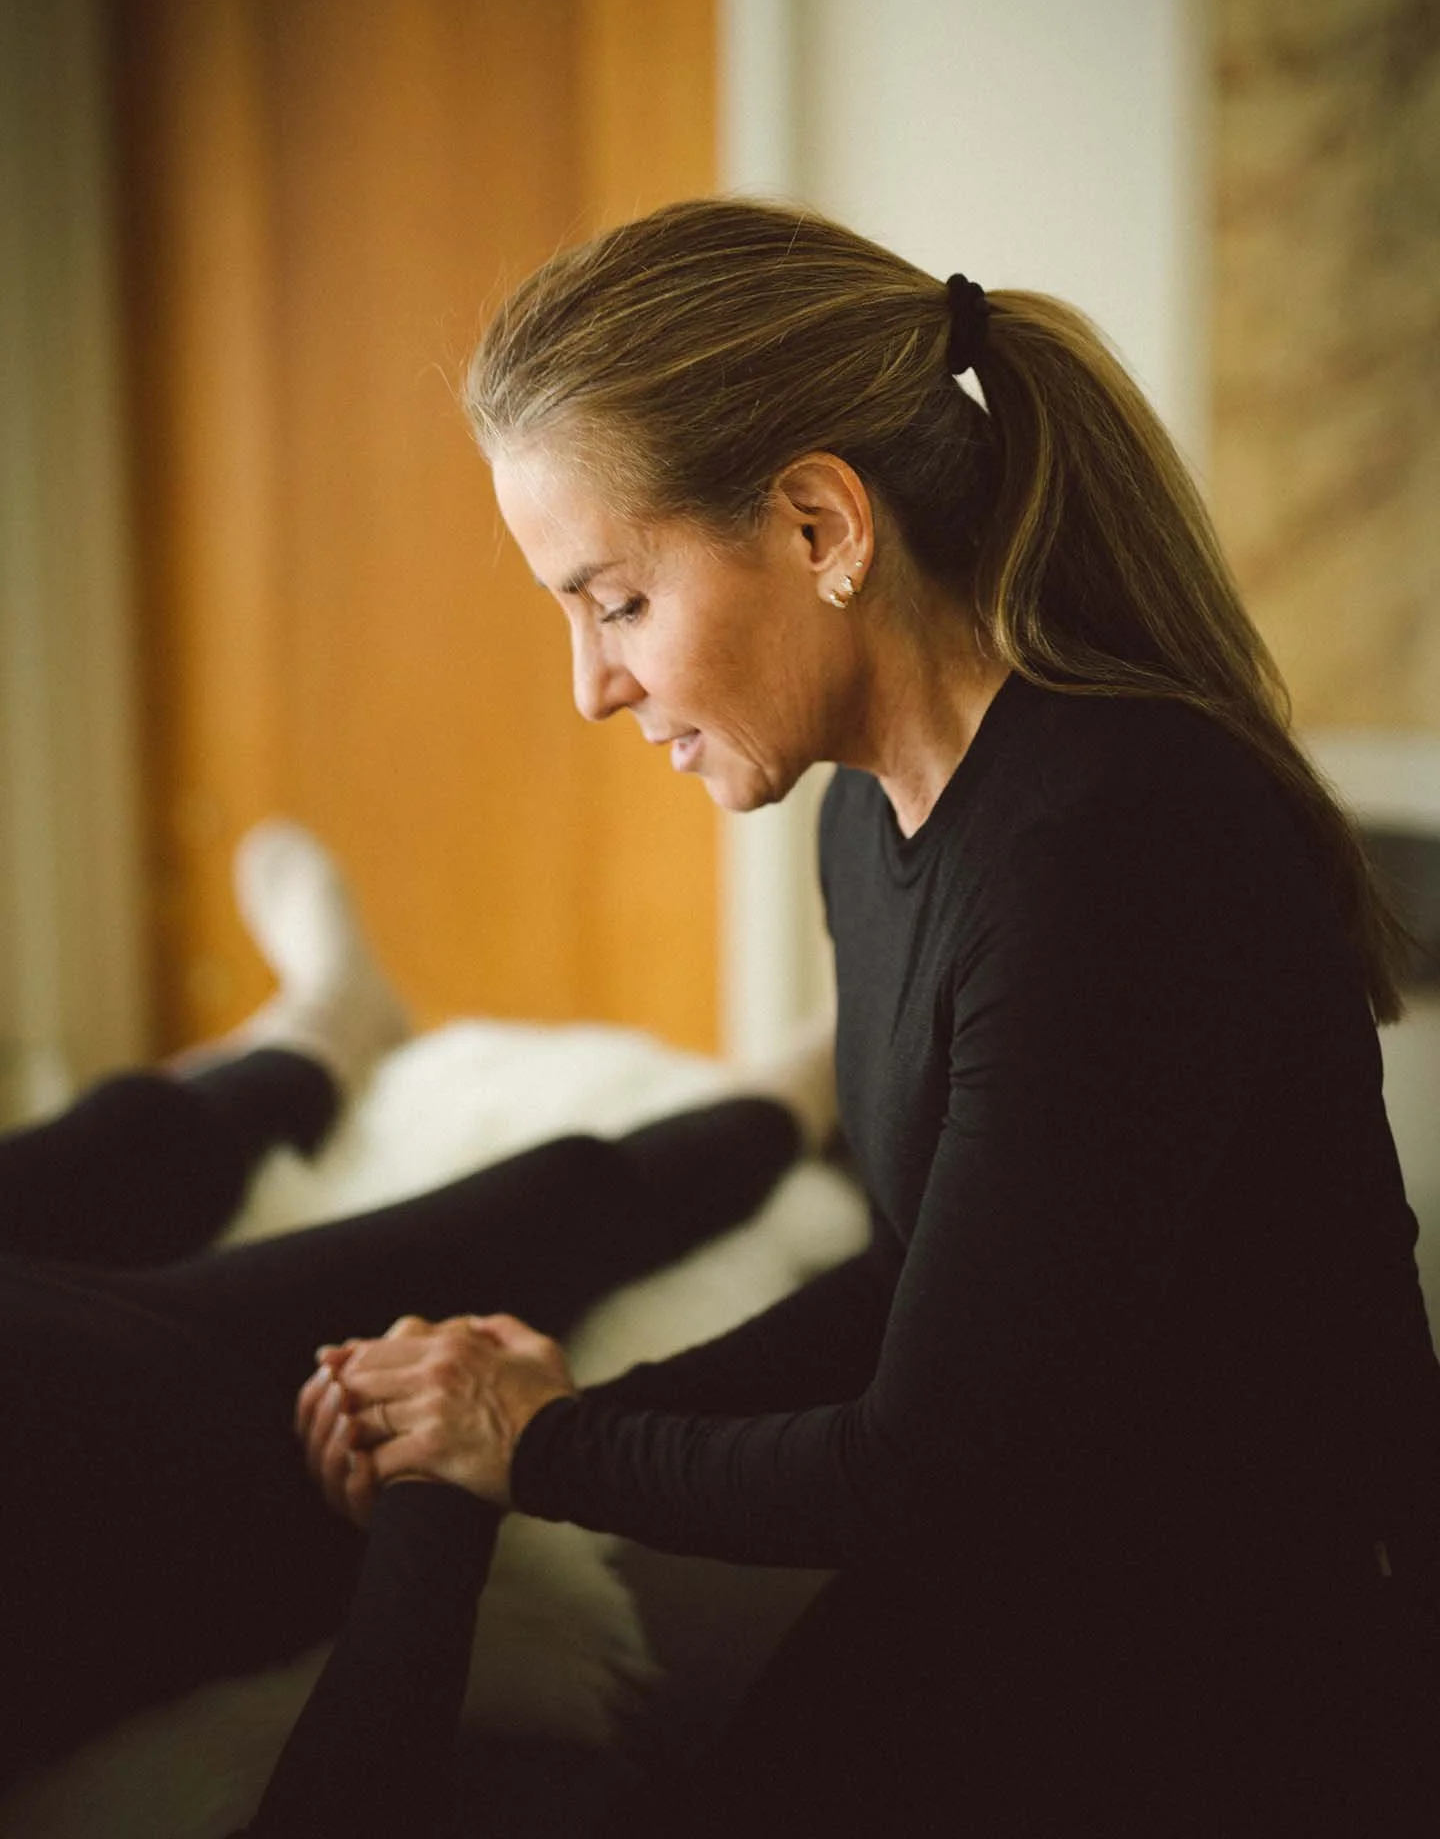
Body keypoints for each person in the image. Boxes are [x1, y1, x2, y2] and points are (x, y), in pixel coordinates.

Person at [289, 197, 1440, 1836]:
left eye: (614, 601)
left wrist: (535, 1450)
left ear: (824, 525)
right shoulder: (877, 811)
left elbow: (932, 1460)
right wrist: (553, 1422)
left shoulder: (1113, 842)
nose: (589, 687)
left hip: (1245, 1674)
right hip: (1041, 1588)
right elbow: (923, 1280)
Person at [0, 820, 830, 1821]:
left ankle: (325, 1023)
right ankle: (802, 1089)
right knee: (526, 1212)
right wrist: (434, 1515)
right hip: (118, 1449)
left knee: (117, 1143)